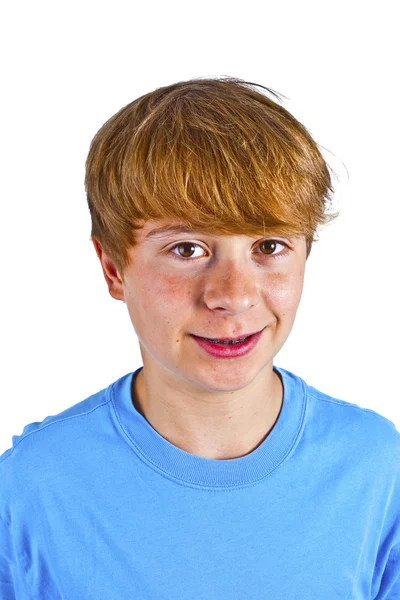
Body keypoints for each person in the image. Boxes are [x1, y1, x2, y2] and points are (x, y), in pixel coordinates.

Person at [1, 77, 399, 599]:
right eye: (187, 249)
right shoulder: (33, 485)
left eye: (270, 245)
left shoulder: (376, 467)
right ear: (113, 268)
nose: (232, 295)